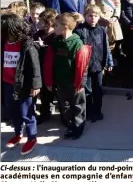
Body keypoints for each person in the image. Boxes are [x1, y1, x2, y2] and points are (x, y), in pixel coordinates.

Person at [43, 12, 92, 140]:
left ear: (65, 27)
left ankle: (78, 127)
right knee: (64, 105)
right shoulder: (55, 42)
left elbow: (83, 66)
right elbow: (49, 63)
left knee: (78, 105)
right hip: (60, 81)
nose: (54, 28)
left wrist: (80, 83)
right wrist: (49, 81)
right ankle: (70, 124)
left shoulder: (77, 43)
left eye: (56, 25)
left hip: (74, 82)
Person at [2, 14, 42, 155]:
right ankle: (18, 133)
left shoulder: (27, 45)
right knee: (12, 110)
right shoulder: (3, 42)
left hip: (24, 85)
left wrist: (36, 85)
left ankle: (32, 137)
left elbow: (35, 67)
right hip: (7, 84)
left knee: (27, 113)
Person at [74, 5, 113, 123]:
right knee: (87, 91)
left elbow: (106, 47)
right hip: (86, 68)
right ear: (85, 16)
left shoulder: (101, 30)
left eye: (95, 16)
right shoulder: (79, 30)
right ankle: (89, 112)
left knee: (98, 90)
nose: (93, 18)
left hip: (98, 66)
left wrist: (109, 61)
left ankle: (98, 110)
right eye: (90, 15)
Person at [32, 9, 57, 125]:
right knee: (44, 94)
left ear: (48, 23)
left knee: (52, 92)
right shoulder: (38, 34)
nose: (38, 22)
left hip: (52, 69)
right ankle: (44, 113)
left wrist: (44, 46)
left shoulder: (56, 35)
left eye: (41, 21)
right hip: (40, 67)